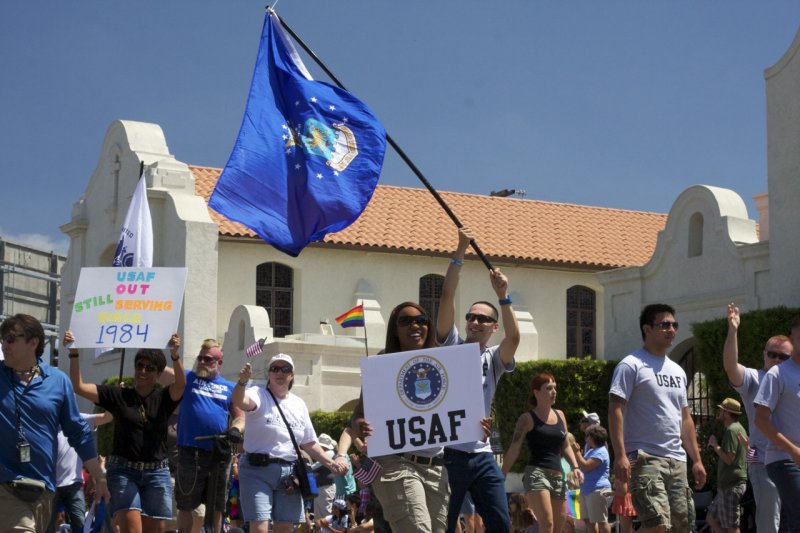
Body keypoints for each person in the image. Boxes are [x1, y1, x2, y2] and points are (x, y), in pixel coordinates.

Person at [436, 226, 521, 533]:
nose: (474, 321)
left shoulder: (495, 359)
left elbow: (515, 336)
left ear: (492, 327)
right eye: (471, 316)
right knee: (444, 525)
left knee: (500, 523)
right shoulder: (452, 346)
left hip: (483, 456)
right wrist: (460, 250)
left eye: (483, 318)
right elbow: (446, 295)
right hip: (450, 455)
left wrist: (503, 296)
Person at [66, 330, 185, 533]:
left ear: (158, 373)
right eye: (139, 365)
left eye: (149, 367)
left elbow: (181, 384)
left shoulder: (163, 397)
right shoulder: (118, 395)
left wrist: (175, 355)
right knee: (132, 530)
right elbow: (78, 386)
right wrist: (74, 352)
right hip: (123, 471)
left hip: (157, 472)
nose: (143, 371)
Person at [0, 314, 109, 532]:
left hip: (43, 490)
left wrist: (99, 477)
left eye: (11, 338)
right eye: (2, 338)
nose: (4, 344)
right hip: (6, 485)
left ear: (33, 342)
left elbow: (78, 432)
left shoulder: (58, 381)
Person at [351, 301, 450, 533]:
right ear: (395, 330)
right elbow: (358, 414)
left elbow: (461, 409)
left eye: (421, 320)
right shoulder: (381, 364)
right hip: (396, 461)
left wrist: (477, 424)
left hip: (436, 467)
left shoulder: (444, 362)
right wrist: (359, 425)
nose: (415, 325)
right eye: (405, 321)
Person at [608, 303, 707, 533]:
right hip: (645, 458)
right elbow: (615, 410)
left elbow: (685, 419)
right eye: (664, 325)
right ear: (647, 329)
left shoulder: (678, 371)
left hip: (677, 460)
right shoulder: (630, 365)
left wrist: (697, 460)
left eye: (674, 325)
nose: (671, 329)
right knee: (658, 525)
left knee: (681, 527)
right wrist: (620, 455)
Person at [233, 353, 345, 533]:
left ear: (292, 375)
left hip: (289, 475)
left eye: (285, 369)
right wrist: (241, 382)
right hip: (256, 471)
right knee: (260, 527)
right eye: (275, 368)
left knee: (285, 527)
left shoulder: (299, 404)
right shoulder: (258, 394)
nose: (280, 373)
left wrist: (331, 464)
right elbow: (239, 400)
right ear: (269, 374)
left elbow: (309, 442)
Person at [722, 303, 787, 533]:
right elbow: (730, 367)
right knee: (770, 523)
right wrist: (733, 330)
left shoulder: (794, 382)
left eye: (783, 356)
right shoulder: (755, 379)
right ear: (764, 355)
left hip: (791, 460)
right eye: (772, 354)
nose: (776, 359)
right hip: (763, 462)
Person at [174, 338, 244, 533]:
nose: (203, 362)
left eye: (208, 359)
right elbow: (163, 372)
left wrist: (236, 429)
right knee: (185, 504)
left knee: (218, 505)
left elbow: (240, 417)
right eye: (200, 358)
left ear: (219, 362)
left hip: (219, 454)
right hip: (190, 452)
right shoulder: (188, 378)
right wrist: (173, 353)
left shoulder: (229, 387)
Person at [502, 373, 583, 533]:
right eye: (548, 388)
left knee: (560, 528)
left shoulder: (560, 415)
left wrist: (575, 466)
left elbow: (565, 445)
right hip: (537, 474)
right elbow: (514, 448)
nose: (554, 392)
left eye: (554, 388)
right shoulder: (527, 419)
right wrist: (502, 473)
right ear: (536, 392)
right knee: (547, 524)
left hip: (558, 477)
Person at [754, 316, 800, 532]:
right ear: (793, 340)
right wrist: (793, 450)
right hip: (784, 460)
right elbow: (761, 420)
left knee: (790, 521)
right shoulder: (777, 374)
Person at [46, 411, 114, 533]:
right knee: (47, 525)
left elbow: (107, 417)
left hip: (74, 483)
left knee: (81, 524)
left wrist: (114, 395)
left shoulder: (79, 418)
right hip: (50, 484)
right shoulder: (46, 419)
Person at [706, 398, 748, 533]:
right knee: (711, 518)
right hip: (728, 485)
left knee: (732, 527)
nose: (719, 412)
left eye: (722, 410)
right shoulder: (737, 428)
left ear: (727, 413)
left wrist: (715, 445)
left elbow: (729, 459)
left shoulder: (732, 430)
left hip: (731, 485)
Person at [574, 425, 612, 533]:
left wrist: (577, 453)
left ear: (592, 437)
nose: (585, 438)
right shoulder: (592, 451)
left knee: (601, 521)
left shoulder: (601, 451)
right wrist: (579, 456)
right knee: (588, 521)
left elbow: (587, 466)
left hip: (597, 490)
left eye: (587, 436)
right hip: (587, 489)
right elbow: (582, 466)